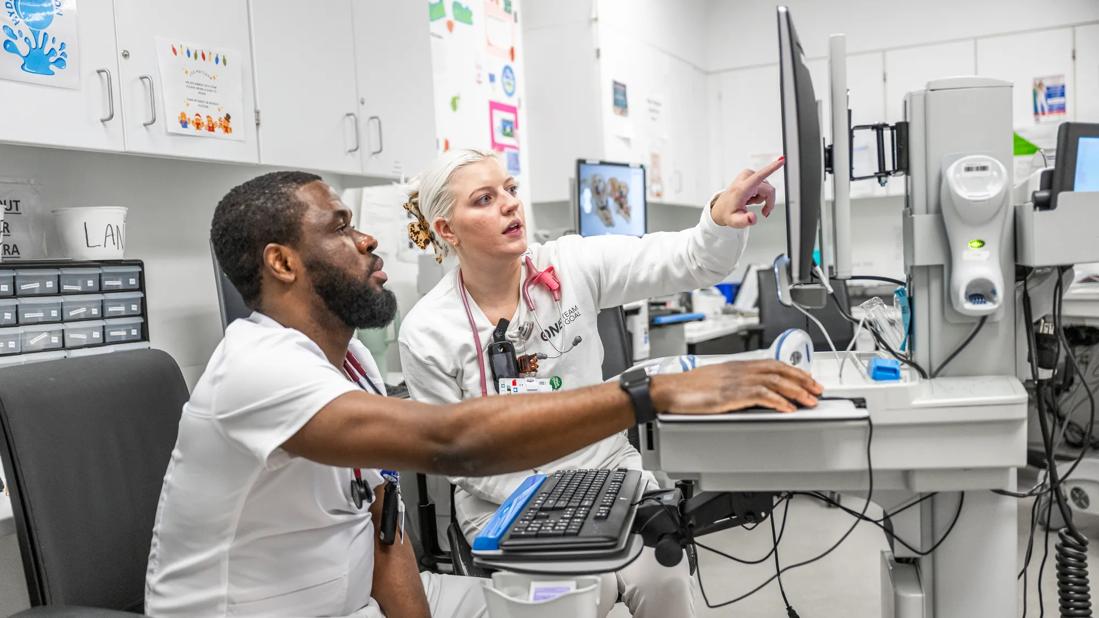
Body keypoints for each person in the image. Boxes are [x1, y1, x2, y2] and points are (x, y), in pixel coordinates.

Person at [144, 171, 821, 617]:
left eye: (509, 190)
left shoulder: (347, 361)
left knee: (566, 600)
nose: (369, 236)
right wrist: (649, 393)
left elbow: (383, 528)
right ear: (282, 262)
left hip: (353, 601)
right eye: (341, 226)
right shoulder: (257, 368)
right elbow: (452, 443)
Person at [398, 148, 786, 616]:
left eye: (510, 190)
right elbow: (453, 455)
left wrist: (720, 220)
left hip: (608, 473)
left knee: (664, 580)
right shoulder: (428, 331)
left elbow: (689, 259)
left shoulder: (571, 263)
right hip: (505, 499)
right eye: (484, 199)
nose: (509, 204)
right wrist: (554, 502)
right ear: (446, 230)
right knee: (585, 591)